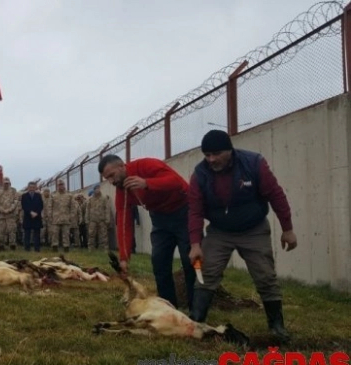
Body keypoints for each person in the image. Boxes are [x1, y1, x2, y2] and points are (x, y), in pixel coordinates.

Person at [187, 130, 297, 342]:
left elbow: (275, 194)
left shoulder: (253, 163)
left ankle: (276, 326)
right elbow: (194, 210)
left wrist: (288, 228)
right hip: (220, 231)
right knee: (207, 272)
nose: (212, 159)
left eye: (217, 153)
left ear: (229, 150)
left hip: (253, 229)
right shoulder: (200, 174)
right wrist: (195, 243)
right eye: (207, 155)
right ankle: (197, 321)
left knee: (265, 276)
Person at [98, 154, 195, 310]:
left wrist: (147, 183)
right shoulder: (121, 191)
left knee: (192, 260)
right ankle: (168, 307)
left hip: (184, 212)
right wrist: (124, 257)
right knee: (159, 262)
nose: (111, 181)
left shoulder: (146, 165)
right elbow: (124, 223)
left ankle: (197, 307)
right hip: (159, 219)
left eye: (111, 175)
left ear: (122, 166)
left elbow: (176, 181)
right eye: (106, 178)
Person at [21, 181, 43, 252]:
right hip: (28, 216)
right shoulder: (24, 196)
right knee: (27, 233)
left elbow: (41, 205)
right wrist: (30, 212)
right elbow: (24, 206)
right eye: (30, 187)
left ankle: (37, 248)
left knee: (37, 234)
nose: (32, 188)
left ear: (35, 188)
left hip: (36, 217)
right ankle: (27, 248)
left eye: (33, 187)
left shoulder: (38, 195)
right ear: (28, 187)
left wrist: (36, 213)